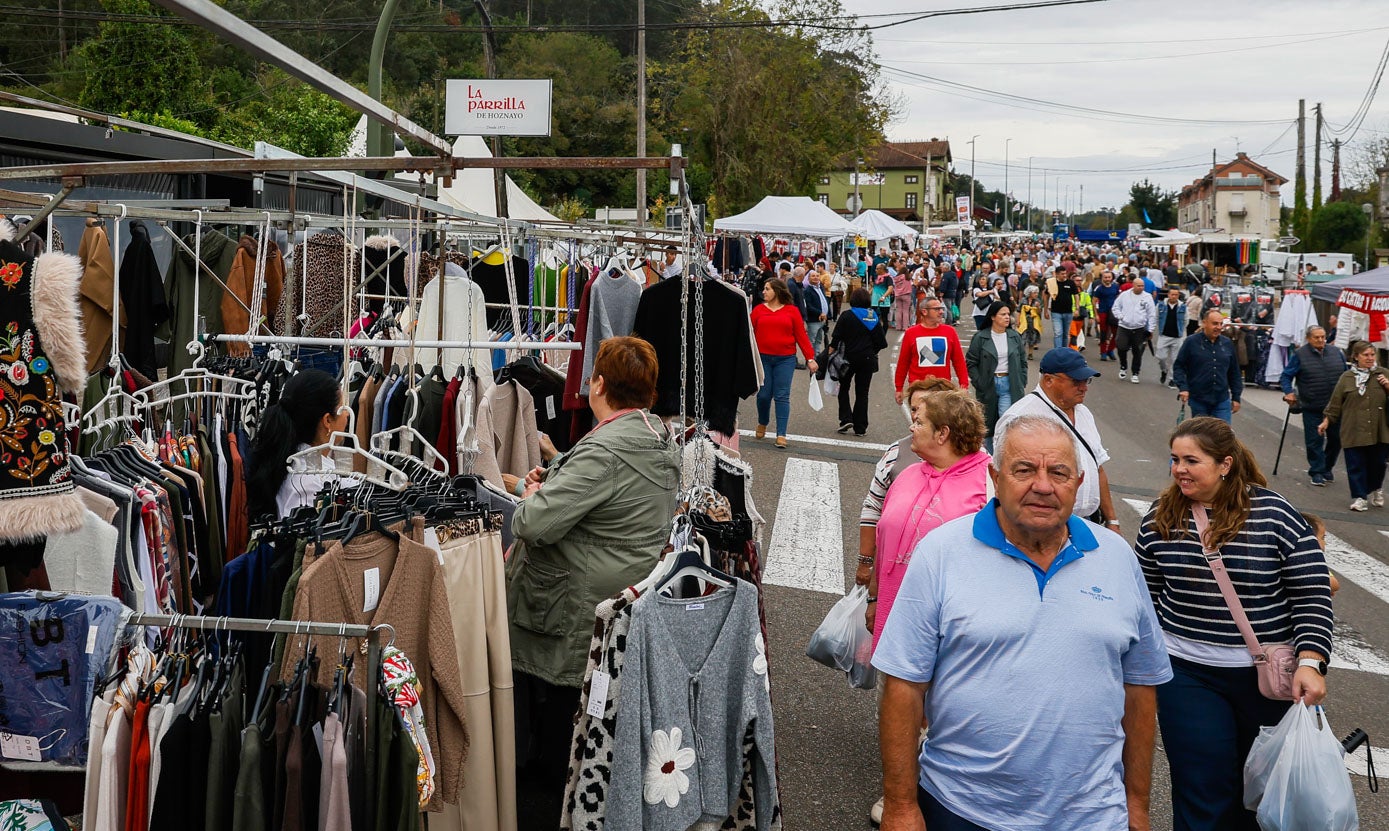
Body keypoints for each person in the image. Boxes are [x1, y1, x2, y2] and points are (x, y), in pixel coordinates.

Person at [874, 415, 1171, 831]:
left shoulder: (1117, 557)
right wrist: (901, 806)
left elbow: (1139, 688)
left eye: (1059, 472)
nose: (1044, 486)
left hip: (1093, 815)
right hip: (962, 808)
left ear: (1079, 482)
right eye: (1025, 470)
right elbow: (904, 685)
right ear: (995, 477)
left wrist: (1137, 806)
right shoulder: (941, 552)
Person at [507, 336, 680, 827]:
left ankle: (553, 809)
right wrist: (559, 472)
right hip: (618, 598)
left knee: (564, 724)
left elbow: (533, 523)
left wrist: (530, 489)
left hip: (576, 609)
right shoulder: (654, 434)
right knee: (587, 718)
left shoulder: (607, 447)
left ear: (599, 384)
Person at [1135, 417, 1332, 831]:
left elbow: (1312, 592)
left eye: (1191, 460)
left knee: (1258, 792)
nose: (1179, 469)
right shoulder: (1161, 516)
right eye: (1174, 459)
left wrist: (1312, 661)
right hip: (1185, 674)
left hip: (1265, 677)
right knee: (1202, 788)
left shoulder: (1275, 514)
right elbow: (1145, 596)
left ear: (1225, 464)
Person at [868, 389, 990, 651]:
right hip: (894, 618)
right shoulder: (909, 474)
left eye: (920, 422)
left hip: (953, 631)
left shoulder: (989, 482)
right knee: (893, 691)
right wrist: (874, 598)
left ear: (942, 433)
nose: (912, 426)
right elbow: (884, 537)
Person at [995, 348, 1119, 528]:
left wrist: (1112, 520)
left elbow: (1097, 467)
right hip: (1044, 523)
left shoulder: (1084, 413)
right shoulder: (1019, 417)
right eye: (1076, 381)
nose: (1084, 387)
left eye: (1086, 381)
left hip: (1090, 522)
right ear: (1048, 380)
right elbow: (1005, 477)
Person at [247, 368, 351, 521]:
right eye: (342, 407)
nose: (348, 413)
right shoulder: (312, 482)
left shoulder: (284, 457)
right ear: (327, 420)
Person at [1318, 340, 1389, 511]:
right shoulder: (1347, 378)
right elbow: (1335, 403)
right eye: (1365, 355)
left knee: (1378, 464)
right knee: (1355, 464)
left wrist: (1387, 387)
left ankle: (1376, 487)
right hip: (1353, 429)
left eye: (1372, 354)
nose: (1370, 358)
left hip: (1379, 429)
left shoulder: (1384, 373)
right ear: (1356, 357)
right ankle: (1360, 497)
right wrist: (1326, 421)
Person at [750, 278, 818, 449]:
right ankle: (762, 421)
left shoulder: (792, 311)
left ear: (777, 291)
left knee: (782, 395)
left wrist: (810, 358)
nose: (763, 292)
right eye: (764, 289)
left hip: (785, 359)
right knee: (764, 395)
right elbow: (748, 335)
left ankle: (781, 434)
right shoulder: (758, 310)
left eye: (767, 289)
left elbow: (801, 336)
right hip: (762, 358)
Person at [1280, 325, 1347, 486]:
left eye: (1323, 337)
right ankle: (1316, 471)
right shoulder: (1300, 355)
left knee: (1336, 439)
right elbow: (1286, 375)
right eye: (1316, 337)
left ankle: (1327, 467)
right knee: (1314, 440)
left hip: (1335, 407)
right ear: (1309, 339)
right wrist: (1288, 392)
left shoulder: (1337, 353)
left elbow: (1346, 375)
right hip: (1312, 405)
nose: (1321, 340)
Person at [965, 301, 1026, 454]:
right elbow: (971, 362)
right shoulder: (981, 337)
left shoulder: (1014, 336)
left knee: (1006, 421)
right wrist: (978, 382)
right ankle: (989, 457)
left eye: (1008, 314)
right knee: (988, 424)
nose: (1007, 318)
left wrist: (1022, 380)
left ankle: (1003, 455)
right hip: (989, 384)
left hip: (1009, 384)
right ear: (993, 317)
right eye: (1003, 314)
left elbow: (1023, 361)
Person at [830, 287, 890, 436]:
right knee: (862, 393)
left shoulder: (846, 316)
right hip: (867, 359)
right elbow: (882, 342)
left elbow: (836, 338)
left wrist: (828, 355)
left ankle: (845, 418)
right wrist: (871, 351)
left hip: (847, 358)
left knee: (843, 387)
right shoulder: (873, 317)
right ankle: (860, 427)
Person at [1173, 309, 1242, 423]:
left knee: (1222, 436)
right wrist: (1183, 388)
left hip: (1222, 399)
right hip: (1198, 399)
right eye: (1215, 323)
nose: (1219, 327)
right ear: (1204, 323)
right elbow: (1179, 366)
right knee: (1202, 436)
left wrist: (1236, 397)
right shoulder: (1191, 342)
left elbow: (1234, 372)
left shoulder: (1227, 344)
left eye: (1221, 324)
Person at [894, 298, 968, 403]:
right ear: (924, 311)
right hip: (918, 388)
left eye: (941, 308)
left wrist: (964, 385)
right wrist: (899, 388)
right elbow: (903, 362)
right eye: (937, 309)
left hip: (943, 388)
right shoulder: (911, 333)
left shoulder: (950, 332)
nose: (941, 312)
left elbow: (959, 361)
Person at [1111, 274, 1157, 383]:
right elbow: (1115, 307)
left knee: (1138, 351)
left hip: (1139, 328)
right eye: (1139, 286)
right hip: (1124, 327)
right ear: (1133, 285)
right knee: (1121, 347)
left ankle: (1135, 372)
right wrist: (1121, 317)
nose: (1141, 288)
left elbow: (1151, 314)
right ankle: (1123, 366)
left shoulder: (1147, 297)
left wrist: (1150, 329)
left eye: (1142, 286)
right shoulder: (1124, 295)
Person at [1155, 288, 1186, 388]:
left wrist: (1181, 332)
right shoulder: (1161, 305)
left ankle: (1172, 379)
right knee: (1161, 356)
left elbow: (1186, 320)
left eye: (1176, 295)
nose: (1174, 296)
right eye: (1172, 294)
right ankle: (1164, 370)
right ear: (1168, 295)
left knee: (1175, 359)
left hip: (1177, 337)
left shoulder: (1183, 307)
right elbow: (1156, 317)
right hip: (1164, 335)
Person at [1043, 267, 1080, 350]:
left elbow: (1076, 295)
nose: (1064, 275)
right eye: (1062, 274)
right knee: (1058, 333)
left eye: (1065, 273)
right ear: (1056, 274)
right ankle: (1058, 351)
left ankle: (1064, 350)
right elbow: (1046, 295)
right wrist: (1045, 310)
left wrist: (1077, 308)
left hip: (1068, 312)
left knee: (1065, 334)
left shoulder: (1070, 283)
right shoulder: (1052, 283)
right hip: (1056, 312)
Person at [803, 266, 831, 354]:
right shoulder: (807, 290)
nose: (816, 278)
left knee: (819, 340)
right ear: (808, 278)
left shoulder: (821, 287)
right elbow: (808, 306)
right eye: (813, 276)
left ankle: (817, 357)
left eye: (817, 276)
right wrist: (820, 313)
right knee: (811, 340)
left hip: (822, 319)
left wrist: (828, 314)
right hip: (814, 319)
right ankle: (810, 359)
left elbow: (824, 301)